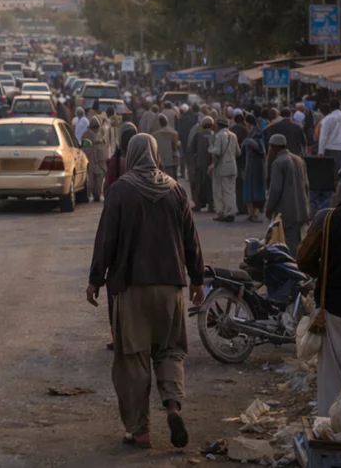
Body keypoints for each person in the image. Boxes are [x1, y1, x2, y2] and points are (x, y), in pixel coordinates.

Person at [88, 133, 204, 450]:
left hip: (132, 289)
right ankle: (173, 407)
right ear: (154, 154)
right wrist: (197, 280)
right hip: (171, 288)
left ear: (132, 156)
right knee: (170, 352)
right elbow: (191, 241)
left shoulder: (120, 191)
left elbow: (106, 240)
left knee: (133, 357)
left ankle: (140, 430)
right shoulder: (176, 190)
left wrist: (95, 279)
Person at [298, 155, 341, 416]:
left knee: (336, 391)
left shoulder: (329, 219)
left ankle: (335, 446)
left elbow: (304, 258)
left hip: (340, 314)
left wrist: (327, 274)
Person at [265, 134, 312, 251]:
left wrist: (269, 208)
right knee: (298, 241)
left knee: (288, 244)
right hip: (301, 209)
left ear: (273, 146)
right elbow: (306, 186)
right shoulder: (299, 160)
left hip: (286, 211)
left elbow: (275, 189)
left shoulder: (278, 163)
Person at [209, 118, 240, 222]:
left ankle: (221, 212)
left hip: (222, 167)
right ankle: (231, 211)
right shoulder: (234, 135)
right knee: (230, 190)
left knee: (219, 191)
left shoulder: (219, 136)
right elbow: (238, 152)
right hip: (233, 166)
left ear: (219, 125)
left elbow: (217, 151)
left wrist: (210, 149)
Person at [241, 115, 268, 222]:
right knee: (250, 189)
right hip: (251, 165)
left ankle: (254, 213)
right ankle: (251, 213)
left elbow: (262, 149)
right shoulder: (253, 134)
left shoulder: (257, 134)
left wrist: (250, 142)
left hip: (256, 167)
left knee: (254, 190)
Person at [319, 100, 341, 174]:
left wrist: (320, 151)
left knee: (332, 171)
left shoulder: (327, 119)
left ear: (330, 107)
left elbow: (323, 136)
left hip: (331, 148)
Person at [189, 117, 215, 212]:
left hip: (200, 164)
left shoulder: (198, 135)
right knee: (211, 185)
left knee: (199, 185)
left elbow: (191, 150)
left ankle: (199, 204)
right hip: (212, 165)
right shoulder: (215, 135)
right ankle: (212, 204)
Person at [153, 115, 181, 185]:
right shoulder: (174, 133)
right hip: (171, 160)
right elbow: (175, 147)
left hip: (159, 162)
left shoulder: (155, 135)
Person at [84, 117, 106, 203]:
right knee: (95, 180)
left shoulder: (89, 134)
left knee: (94, 181)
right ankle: (95, 196)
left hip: (94, 161)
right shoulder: (93, 135)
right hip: (94, 161)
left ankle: (95, 196)